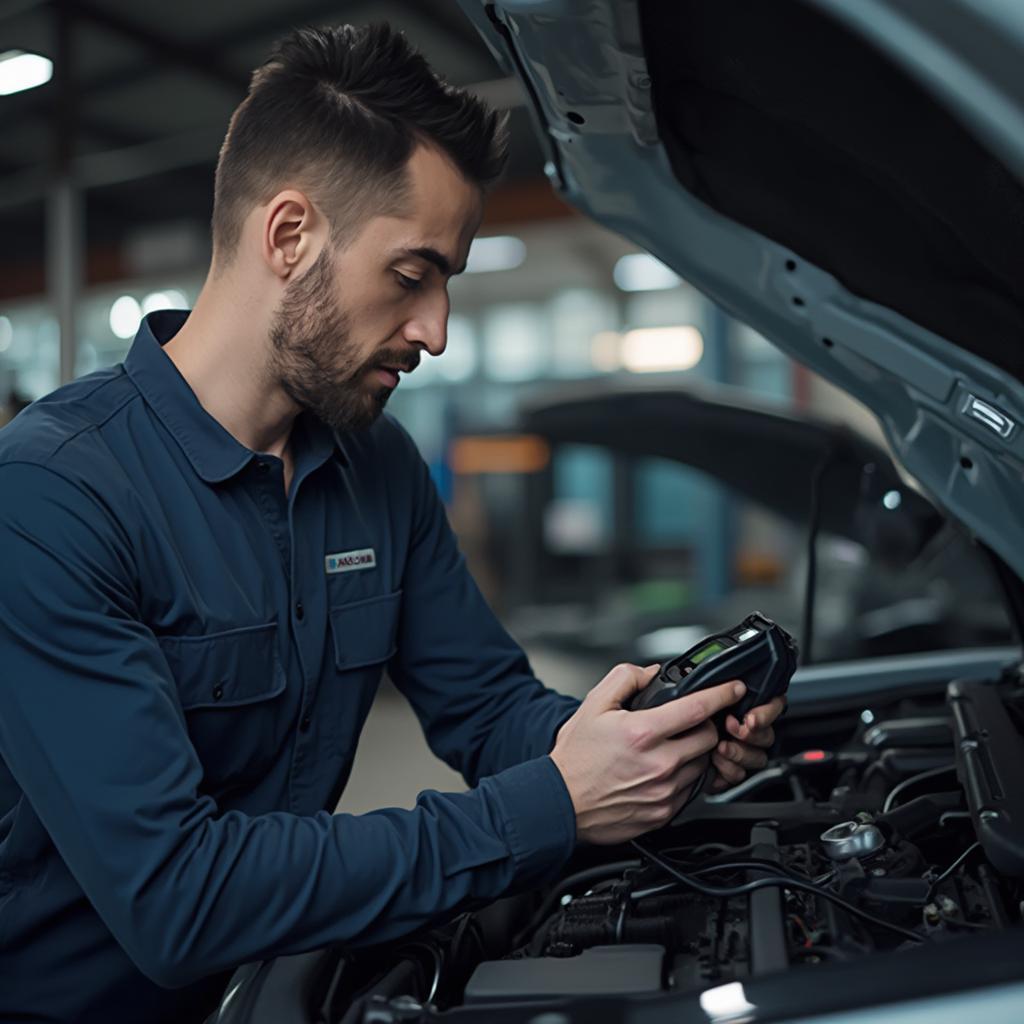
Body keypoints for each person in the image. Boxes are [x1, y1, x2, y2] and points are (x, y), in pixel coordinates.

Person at [0, 24, 784, 1023]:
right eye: (412, 275)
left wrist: (640, 740)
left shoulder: (377, 465)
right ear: (288, 236)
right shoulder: (52, 496)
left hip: (285, 985)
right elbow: (177, 898)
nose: (438, 329)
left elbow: (491, 710)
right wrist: (549, 804)